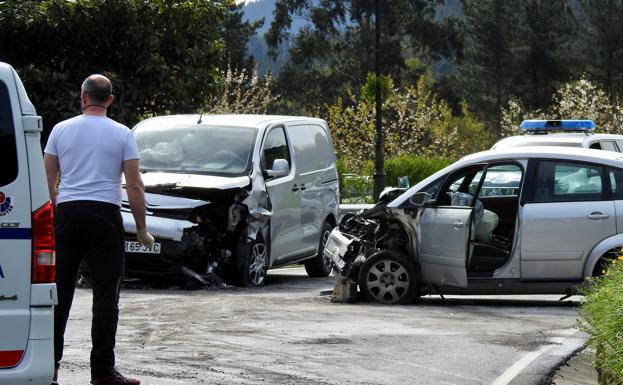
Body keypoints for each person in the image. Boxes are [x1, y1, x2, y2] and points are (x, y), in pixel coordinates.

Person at [44, 74, 154, 385]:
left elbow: (47, 179)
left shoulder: (60, 130)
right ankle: (103, 371)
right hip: (105, 217)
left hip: (67, 214)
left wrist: (57, 209)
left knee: (59, 294)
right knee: (106, 297)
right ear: (110, 100)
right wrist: (142, 229)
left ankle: (49, 368)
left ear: (82, 97)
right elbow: (134, 185)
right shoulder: (122, 134)